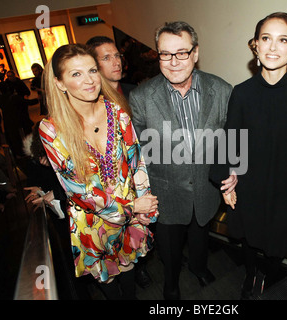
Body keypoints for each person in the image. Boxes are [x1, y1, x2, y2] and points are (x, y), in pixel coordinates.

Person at [210, 12, 287, 299]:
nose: (273, 47)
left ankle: (267, 271)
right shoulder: (242, 93)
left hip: (286, 187)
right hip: (250, 184)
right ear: (256, 46)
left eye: (282, 40)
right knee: (249, 237)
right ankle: (251, 273)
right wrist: (227, 180)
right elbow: (230, 141)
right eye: (266, 39)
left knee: (280, 242)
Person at [39, 44, 158, 300]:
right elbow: (79, 191)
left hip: (131, 215)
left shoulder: (116, 111)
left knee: (129, 275)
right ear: (60, 83)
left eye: (92, 70)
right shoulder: (51, 129)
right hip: (93, 223)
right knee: (109, 283)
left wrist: (147, 207)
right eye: (76, 74)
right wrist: (132, 206)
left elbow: (137, 163)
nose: (89, 80)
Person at [129, 21, 237, 300]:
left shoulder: (222, 90)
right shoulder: (141, 97)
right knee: (170, 251)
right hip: (165, 195)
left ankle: (199, 268)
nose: (173, 62)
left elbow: (233, 136)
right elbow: (138, 154)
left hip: (206, 190)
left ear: (196, 53)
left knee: (201, 236)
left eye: (182, 53)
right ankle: (171, 285)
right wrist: (139, 196)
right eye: (165, 54)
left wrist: (235, 171)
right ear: (157, 55)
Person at [86, 35, 153, 289]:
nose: (116, 62)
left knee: (141, 236)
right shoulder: (90, 103)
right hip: (111, 193)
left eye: (117, 56)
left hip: (142, 176)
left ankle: (142, 267)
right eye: (106, 57)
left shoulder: (134, 90)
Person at [86, 36, 137, 101]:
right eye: (106, 58)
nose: (117, 63)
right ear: (93, 64)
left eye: (117, 56)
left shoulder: (135, 92)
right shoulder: (92, 101)